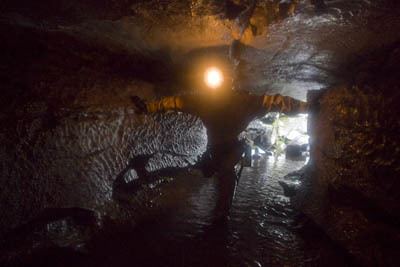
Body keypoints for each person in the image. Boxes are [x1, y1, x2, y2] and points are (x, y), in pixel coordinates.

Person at [131, 87, 308, 222]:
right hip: (215, 148)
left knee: (226, 170)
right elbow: (176, 102)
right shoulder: (208, 101)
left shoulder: (244, 101)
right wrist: (148, 106)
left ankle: (222, 213)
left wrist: (307, 107)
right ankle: (221, 207)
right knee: (208, 170)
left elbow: (277, 102)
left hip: (233, 147)